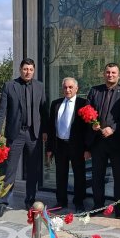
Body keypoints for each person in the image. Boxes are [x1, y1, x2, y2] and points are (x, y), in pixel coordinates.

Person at [0, 58, 48, 218]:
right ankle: (2, 203)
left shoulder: (40, 86)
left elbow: (43, 111)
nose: (28, 72)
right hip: (15, 134)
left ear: (34, 71)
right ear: (20, 69)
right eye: (25, 69)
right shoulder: (10, 86)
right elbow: (1, 110)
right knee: (10, 170)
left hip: (33, 135)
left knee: (33, 170)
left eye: (31, 69)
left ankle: (30, 200)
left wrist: (45, 131)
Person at [86, 63, 120, 218]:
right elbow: (87, 110)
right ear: (104, 74)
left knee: (119, 177)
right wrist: (92, 123)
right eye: (108, 72)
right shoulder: (95, 91)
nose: (110, 75)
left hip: (117, 141)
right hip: (98, 141)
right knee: (97, 176)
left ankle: (119, 209)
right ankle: (98, 206)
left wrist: (113, 128)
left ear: (119, 75)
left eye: (113, 73)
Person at [46, 77, 89, 211]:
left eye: (70, 87)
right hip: (60, 145)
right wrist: (49, 148)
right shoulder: (56, 104)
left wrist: (87, 148)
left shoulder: (83, 104)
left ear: (76, 89)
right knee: (60, 175)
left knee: (79, 175)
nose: (67, 90)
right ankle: (61, 201)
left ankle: (79, 202)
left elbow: (87, 129)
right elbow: (51, 127)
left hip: (77, 145)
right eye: (65, 87)